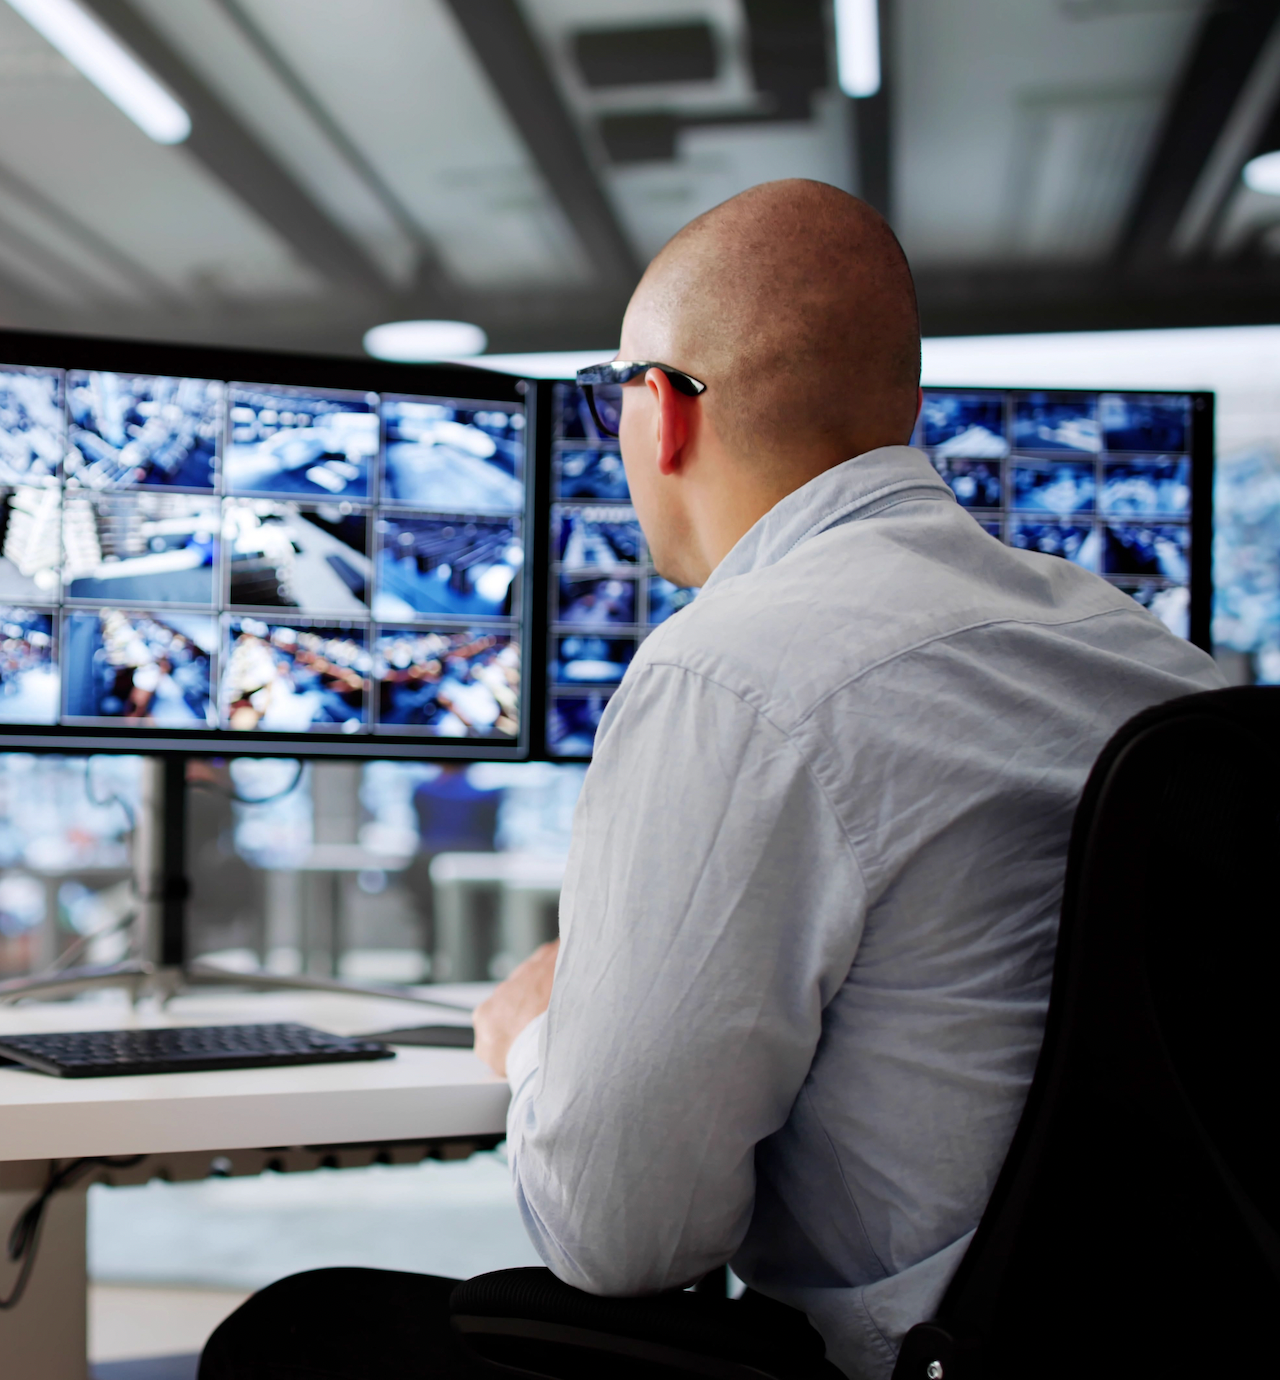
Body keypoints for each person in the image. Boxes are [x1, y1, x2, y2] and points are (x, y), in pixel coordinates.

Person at [200, 179, 1224, 1380]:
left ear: (660, 415)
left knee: (297, 1337)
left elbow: (619, 1233)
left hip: (903, 1363)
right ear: (904, 410)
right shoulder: (1139, 651)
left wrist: (541, 1038)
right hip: (1158, 1338)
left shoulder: (730, 672)